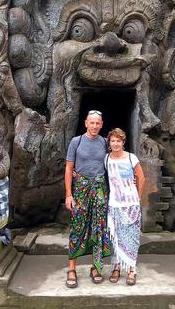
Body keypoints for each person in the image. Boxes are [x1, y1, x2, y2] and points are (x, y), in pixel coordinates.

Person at [64, 110, 110, 288]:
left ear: (102, 124)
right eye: (92, 123)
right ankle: (72, 268)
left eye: (98, 123)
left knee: (98, 227)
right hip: (80, 190)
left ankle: (96, 267)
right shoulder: (77, 142)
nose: (95, 126)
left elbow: (113, 163)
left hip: (100, 190)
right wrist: (69, 194)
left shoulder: (105, 143)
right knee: (78, 226)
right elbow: (69, 168)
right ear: (85, 123)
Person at [105, 128, 145, 286]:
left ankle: (131, 270)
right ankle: (116, 268)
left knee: (131, 238)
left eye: (118, 141)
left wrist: (138, 197)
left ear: (123, 142)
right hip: (114, 204)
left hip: (131, 205)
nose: (115, 144)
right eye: (112, 141)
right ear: (109, 142)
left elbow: (141, 178)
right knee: (115, 237)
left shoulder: (131, 158)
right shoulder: (106, 158)